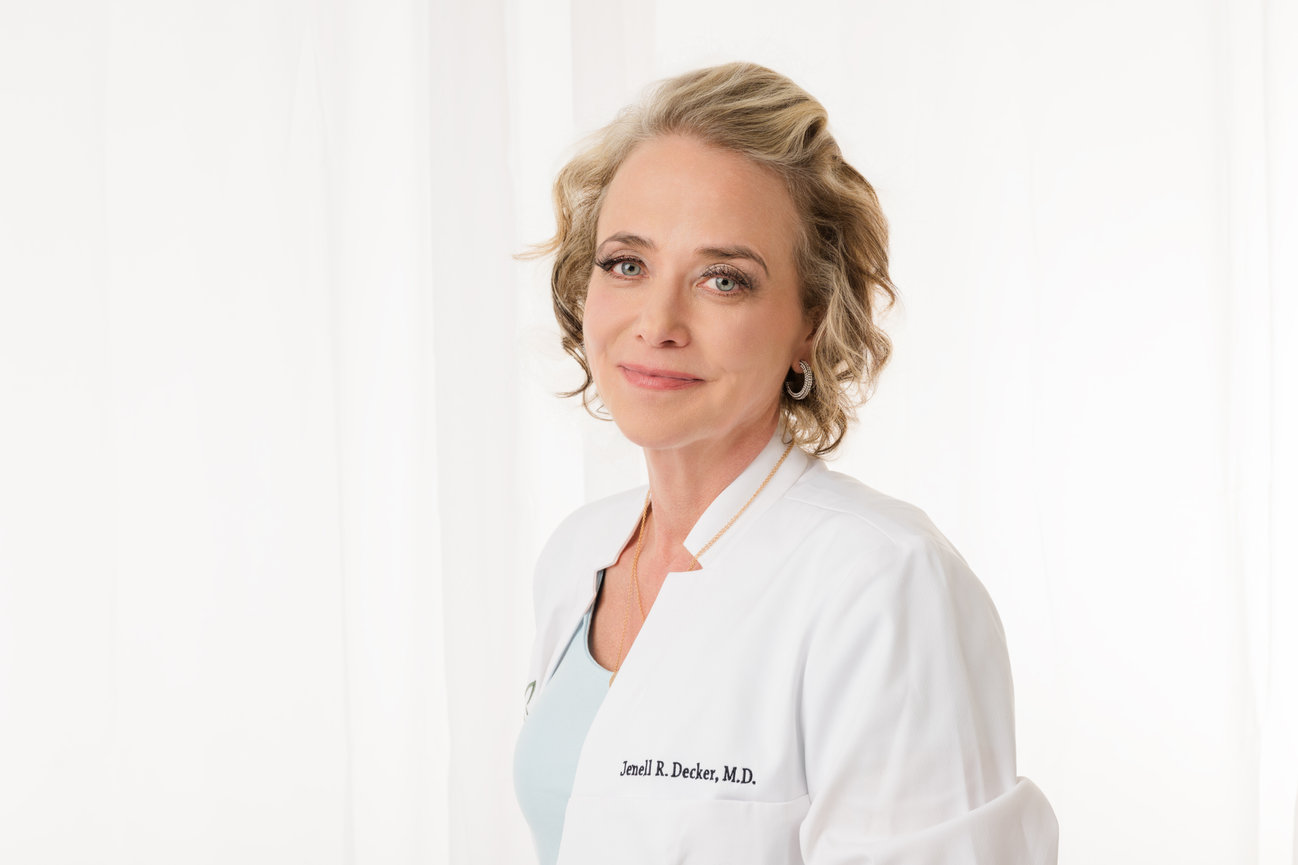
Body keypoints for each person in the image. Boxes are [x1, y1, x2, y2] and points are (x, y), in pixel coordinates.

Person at [512, 61, 1058, 865]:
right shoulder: (578, 555)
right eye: (626, 263)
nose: (657, 321)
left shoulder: (881, 583)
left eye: (723, 279)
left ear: (811, 319)